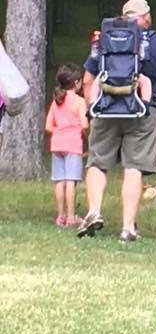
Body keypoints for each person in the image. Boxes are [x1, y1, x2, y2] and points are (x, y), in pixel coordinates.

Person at [78, 0, 156, 243]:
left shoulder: (104, 40)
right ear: (146, 17)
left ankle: (94, 211)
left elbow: (87, 80)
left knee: (97, 162)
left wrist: (93, 108)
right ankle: (127, 229)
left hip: (106, 109)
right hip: (142, 112)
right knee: (134, 167)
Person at [45, 64, 89, 227]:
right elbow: (84, 125)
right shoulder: (79, 101)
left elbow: (48, 126)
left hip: (57, 144)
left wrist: (60, 131)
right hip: (73, 144)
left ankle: (60, 216)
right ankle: (71, 217)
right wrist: (86, 136)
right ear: (76, 83)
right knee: (71, 180)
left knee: (59, 180)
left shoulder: (57, 100)